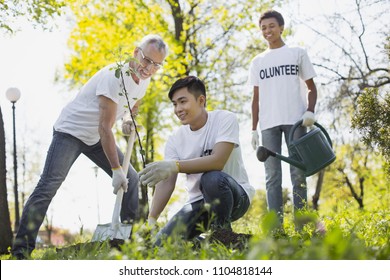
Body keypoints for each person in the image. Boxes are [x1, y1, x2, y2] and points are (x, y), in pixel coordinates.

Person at [11, 34, 169, 259]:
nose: (149, 68)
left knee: (132, 180)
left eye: (156, 65)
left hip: (95, 139)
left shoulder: (144, 81)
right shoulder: (113, 76)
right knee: (48, 186)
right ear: (136, 53)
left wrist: (126, 123)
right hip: (70, 132)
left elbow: (127, 112)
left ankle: (130, 245)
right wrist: (116, 170)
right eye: (146, 60)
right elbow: (105, 128)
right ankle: (20, 253)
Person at [138, 76, 255, 247]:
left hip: (234, 196)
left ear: (201, 100)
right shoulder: (175, 139)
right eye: (174, 104)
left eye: (182, 101)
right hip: (197, 204)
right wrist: (151, 219)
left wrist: (175, 166)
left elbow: (218, 161)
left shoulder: (225, 119)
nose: (178, 109)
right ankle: (202, 242)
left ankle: (223, 234)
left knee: (212, 178)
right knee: (161, 244)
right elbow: (166, 184)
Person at [248, 10, 318, 228]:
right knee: (272, 177)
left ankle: (302, 226)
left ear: (281, 28)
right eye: (263, 28)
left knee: (298, 172)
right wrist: (253, 129)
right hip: (268, 124)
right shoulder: (258, 61)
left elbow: (311, 88)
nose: (267, 31)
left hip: (296, 121)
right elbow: (256, 98)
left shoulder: (297, 53)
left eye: (271, 26)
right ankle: (276, 230)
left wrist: (310, 111)